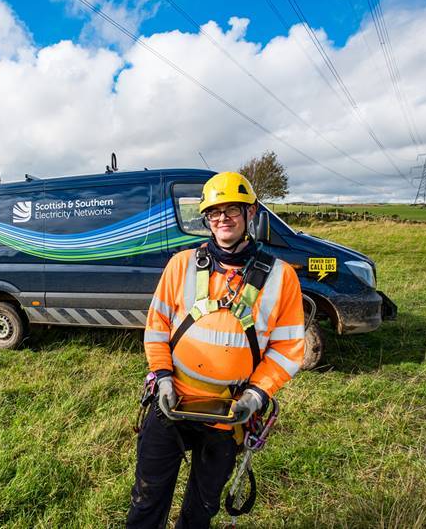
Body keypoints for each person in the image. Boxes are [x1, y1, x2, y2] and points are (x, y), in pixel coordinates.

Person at [126, 171, 304, 528]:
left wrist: (257, 395)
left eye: (231, 210)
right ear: (206, 219)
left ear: (250, 214)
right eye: (214, 212)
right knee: (147, 498)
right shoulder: (182, 266)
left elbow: (287, 347)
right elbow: (157, 326)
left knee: (201, 508)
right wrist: (161, 377)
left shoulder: (281, 277)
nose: (222, 218)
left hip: (230, 411)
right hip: (172, 400)